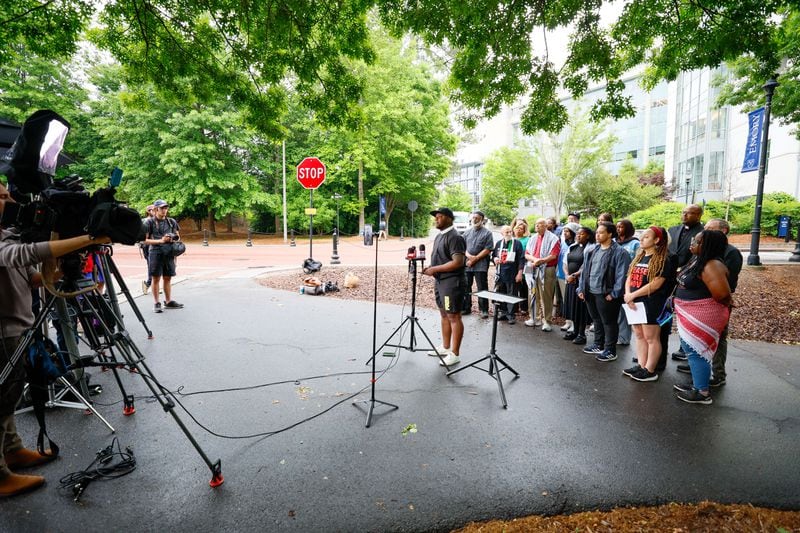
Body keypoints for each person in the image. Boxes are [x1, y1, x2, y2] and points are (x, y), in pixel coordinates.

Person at [1, 181, 112, 497]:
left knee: (6, 398)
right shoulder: (9, 243)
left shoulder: (6, 234)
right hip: (2, 332)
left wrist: (62, 269)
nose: (10, 199)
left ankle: (12, 450)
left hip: (14, 328)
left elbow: (34, 279)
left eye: (8, 193)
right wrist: (85, 240)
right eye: (2, 196)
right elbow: (24, 254)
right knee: (1, 400)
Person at [676, 218, 742, 387]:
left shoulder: (724, 257)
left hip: (708, 311)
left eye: (709, 230)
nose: (704, 233)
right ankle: (699, 376)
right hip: (690, 311)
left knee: (713, 344)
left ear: (723, 231)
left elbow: (724, 288)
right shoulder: (697, 257)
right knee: (696, 352)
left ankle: (715, 376)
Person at [672, 230, 732, 405]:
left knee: (697, 351)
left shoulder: (712, 265)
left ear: (708, 246)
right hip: (689, 313)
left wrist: (696, 306)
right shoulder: (698, 260)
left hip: (703, 315)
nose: (692, 243)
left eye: (697, 242)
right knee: (692, 351)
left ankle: (702, 392)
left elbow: (722, 294)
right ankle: (697, 383)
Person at [621, 227, 677, 382]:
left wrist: (633, 295)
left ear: (657, 240)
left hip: (651, 302)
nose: (642, 239)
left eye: (646, 237)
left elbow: (657, 283)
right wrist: (628, 295)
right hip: (633, 302)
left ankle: (650, 369)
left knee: (651, 337)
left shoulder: (662, 259)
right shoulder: (639, 257)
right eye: (642, 236)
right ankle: (641, 365)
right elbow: (629, 277)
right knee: (639, 335)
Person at [577, 222, 631, 361]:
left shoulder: (620, 252)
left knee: (609, 322)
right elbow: (584, 272)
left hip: (606, 294)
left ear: (610, 234)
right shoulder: (592, 250)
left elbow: (622, 274)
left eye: (601, 232)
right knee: (596, 319)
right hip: (590, 292)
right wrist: (581, 288)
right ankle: (598, 344)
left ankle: (610, 350)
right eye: (597, 232)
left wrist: (614, 293)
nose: (597, 235)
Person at [423, 208, 467, 367]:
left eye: (440, 217)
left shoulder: (455, 237)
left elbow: (458, 262)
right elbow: (441, 259)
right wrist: (431, 267)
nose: (436, 219)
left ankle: (455, 353)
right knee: (444, 314)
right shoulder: (439, 236)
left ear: (449, 218)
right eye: (436, 217)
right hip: (441, 281)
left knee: (454, 317)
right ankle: (445, 346)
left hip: (452, 283)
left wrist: (434, 269)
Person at [666, 204, 704, 362]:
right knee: (667, 311)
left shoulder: (702, 233)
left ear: (699, 216)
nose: (685, 215)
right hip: (669, 276)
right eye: (683, 212)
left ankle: (685, 348)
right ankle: (662, 344)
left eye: (690, 213)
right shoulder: (673, 230)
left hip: (688, 277)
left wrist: (683, 270)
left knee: (685, 316)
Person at [144, 199, 184, 313]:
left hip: (169, 252)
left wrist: (172, 238)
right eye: (162, 208)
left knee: (168, 277)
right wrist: (161, 240)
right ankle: (156, 303)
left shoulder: (171, 221)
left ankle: (168, 301)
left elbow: (178, 236)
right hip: (155, 252)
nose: (165, 210)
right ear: (156, 209)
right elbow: (144, 240)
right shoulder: (149, 222)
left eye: (166, 208)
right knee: (155, 278)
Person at [524, 218, 560, 331]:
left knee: (546, 295)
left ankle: (547, 321)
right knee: (532, 293)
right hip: (532, 267)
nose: (537, 226)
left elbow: (554, 255)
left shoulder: (553, 238)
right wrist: (535, 260)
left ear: (545, 226)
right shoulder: (532, 238)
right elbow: (527, 254)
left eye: (540, 224)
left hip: (547, 268)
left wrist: (541, 261)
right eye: (536, 224)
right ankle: (534, 317)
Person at [564, 227, 595, 345]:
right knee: (573, 307)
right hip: (570, 281)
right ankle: (575, 331)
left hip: (581, 282)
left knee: (580, 309)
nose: (578, 236)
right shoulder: (573, 246)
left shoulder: (591, 248)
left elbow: (586, 265)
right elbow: (565, 262)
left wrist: (575, 275)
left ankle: (582, 334)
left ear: (588, 235)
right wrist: (567, 275)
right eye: (577, 234)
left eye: (582, 234)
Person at [461, 210, 494, 318]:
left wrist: (475, 258)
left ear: (482, 220)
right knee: (466, 286)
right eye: (473, 218)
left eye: (477, 218)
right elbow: (462, 247)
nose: (474, 220)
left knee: (482, 288)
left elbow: (488, 249)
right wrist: (469, 257)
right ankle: (466, 308)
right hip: (468, 264)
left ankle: (484, 310)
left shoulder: (487, 233)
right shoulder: (466, 232)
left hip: (481, 265)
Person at [491, 225, 524, 324]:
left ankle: (511, 314)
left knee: (511, 293)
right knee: (501, 293)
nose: (509, 234)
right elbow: (493, 256)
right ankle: (503, 312)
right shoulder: (498, 243)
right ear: (502, 233)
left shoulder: (517, 243)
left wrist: (520, 273)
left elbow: (521, 259)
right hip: (501, 273)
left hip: (512, 272)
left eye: (510, 232)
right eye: (506, 232)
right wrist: (495, 259)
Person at [615, 219, 640, 346]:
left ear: (628, 228)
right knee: (616, 310)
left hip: (627, 280)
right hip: (614, 280)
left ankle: (624, 337)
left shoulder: (635, 243)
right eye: (617, 227)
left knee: (624, 310)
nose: (618, 229)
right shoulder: (615, 242)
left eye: (622, 227)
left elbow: (637, 262)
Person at [557, 223, 580, 333]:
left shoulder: (577, 245)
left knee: (573, 300)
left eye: (567, 231)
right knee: (565, 299)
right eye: (564, 231)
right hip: (562, 274)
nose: (564, 233)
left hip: (574, 277)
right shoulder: (563, 242)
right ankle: (568, 321)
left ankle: (574, 322)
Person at [512, 220, 530, 317]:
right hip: (512, 266)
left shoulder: (527, 240)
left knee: (523, 288)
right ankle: (514, 307)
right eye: (517, 228)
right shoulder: (511, 239)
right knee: (514, 287)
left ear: (524, 230)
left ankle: (524, 308)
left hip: (523, 265)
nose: (519, 230)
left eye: (521, 229)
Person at [141, 204, 154, 294]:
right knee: (151, 266)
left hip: (152, 246)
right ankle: (148, 283)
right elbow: (144, 238)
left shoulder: (154, 220)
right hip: (148, 246)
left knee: (154, 266)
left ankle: (152, 285)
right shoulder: (147, 221)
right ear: (148, 211)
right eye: (153, 210)